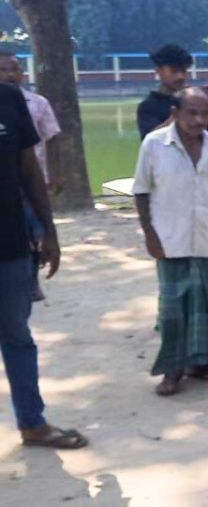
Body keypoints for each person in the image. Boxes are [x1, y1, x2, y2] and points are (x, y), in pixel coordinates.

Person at [133, 87, 208, 396]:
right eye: (191, 112)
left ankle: (203, 363)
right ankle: (172, 370)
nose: (199, 119)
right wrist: (150, 234)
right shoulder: (154, 144)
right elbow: (140, 191)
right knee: (174, 308)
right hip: (170, 238)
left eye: (205, 113)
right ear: (175, 112)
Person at [0, 83, 87, 450]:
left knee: (17, 336)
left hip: (9, 243)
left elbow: (28, 168)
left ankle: (33, 424)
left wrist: (49, 230)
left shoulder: (8, 98)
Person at [0, 51, 59, 302]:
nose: (10, 75)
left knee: (34, 230)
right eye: (3, 70)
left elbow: (51, 138)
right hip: (9, 183)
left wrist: (55, 174)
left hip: (33, 179)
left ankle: (31, 280)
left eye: (14, 69)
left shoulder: (37, 103)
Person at [137, 44, 208, 139]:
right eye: (174, 71)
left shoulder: (196, 101)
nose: (180, 77)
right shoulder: (148, 106)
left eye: (183, 71)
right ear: (159, 71)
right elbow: (149, 141)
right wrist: (176, 115)